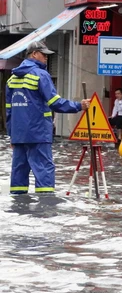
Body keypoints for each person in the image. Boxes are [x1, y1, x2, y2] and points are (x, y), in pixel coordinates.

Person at [5, 41, 90, 195]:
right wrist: (79, 106)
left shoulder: (12, 79)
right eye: (44, 55)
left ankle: (17, 209)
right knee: (44, 171)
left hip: (19, 136)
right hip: (38, 134)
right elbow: (55, 103)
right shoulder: (40, 75)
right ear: (34, 54)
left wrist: (12, 135)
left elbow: (9, 111)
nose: (46, 58)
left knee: (18, 175)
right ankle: (45, 210)